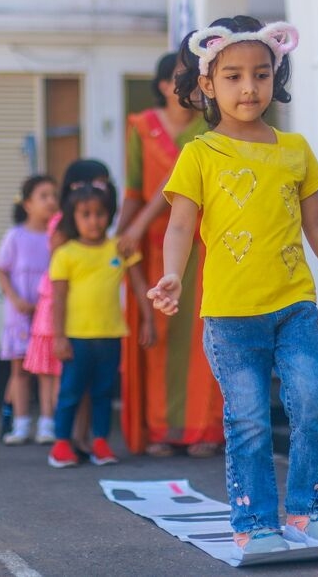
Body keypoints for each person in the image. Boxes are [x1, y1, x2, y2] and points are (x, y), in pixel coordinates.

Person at [147, 16, 318, 558]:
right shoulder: (200, 154)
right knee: (249, 420)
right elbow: (181, 224)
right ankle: (255, 524)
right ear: (207, 84)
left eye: (260, 73)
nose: (248, 87)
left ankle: (310, 512)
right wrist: (172, 274)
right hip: (229, 315)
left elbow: (317, 225)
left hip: (294, 305)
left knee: (312, 401)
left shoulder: (293, 149)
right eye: (232, 76)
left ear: (276, 75)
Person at [117, 51, 223, 458]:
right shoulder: (140, 127)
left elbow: (178, 186)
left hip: (198, 243)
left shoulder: (210, 128)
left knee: (202, 338)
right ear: (163, 85)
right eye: (182, 76)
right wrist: (121, 235)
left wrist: (137, 224)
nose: (192, 83)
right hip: (153, 248)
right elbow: (132, 189)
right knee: (156, 336)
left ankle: (203, 431)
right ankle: (160, 430)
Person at [47, 183, 155, 468]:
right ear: (74, 217)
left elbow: (139, 284)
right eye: (86, 214)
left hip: (110, 335)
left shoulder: (120, 248)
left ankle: (100, 443)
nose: (93, 220)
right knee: (70, 391)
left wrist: (149, 320)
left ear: (109, 216)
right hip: (76, 337)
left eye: (99, 213)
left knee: (104, 392)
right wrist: (58, 337)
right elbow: (57, 299)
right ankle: (60, 445)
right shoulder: (65, 254)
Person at [23, 159, 117, 455]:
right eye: (94, 183)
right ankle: (59, 432)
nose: (98, 190)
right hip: (63, 308)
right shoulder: (64, 227)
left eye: (104, 184)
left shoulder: (104, 233)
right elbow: (58, 267)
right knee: (69, 381)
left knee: (93, 388)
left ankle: (82, 437)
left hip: (96, 322)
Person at [0, 175, 59, 445]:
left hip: (47, 315)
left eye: (54, 195)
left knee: (47, 370)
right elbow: (2, 270)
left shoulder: (57, 237)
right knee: (20, 371)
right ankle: (21, 426)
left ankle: (48, 424)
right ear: (27, 204)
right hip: (20, 314)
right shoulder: (15, 236)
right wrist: (16, 300)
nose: (51, 201)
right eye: (43, 196)